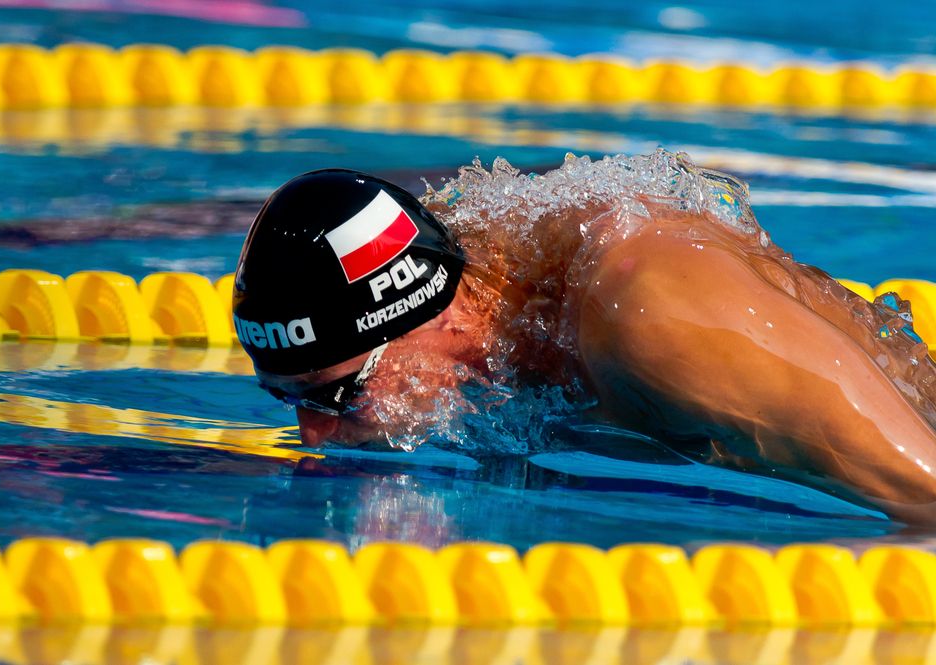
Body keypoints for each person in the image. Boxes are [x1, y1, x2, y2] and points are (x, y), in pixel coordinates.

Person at [233, 149, 936, 524]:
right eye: (285, 399)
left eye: (339, 396)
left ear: (434, 315)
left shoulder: (654, 318)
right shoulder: (484, 278)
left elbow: (925, 495)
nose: (313, 437)